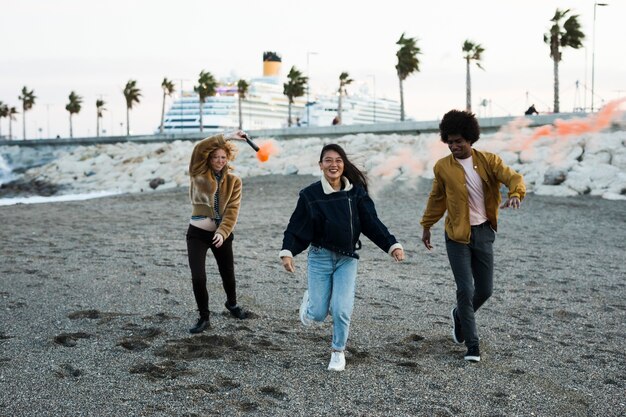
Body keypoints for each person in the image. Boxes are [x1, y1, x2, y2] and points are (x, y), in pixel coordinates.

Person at [280, 143, 405, 371]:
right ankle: (309, 304)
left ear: (344, 164)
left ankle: (338, 352)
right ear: (320, 165)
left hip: (347, 259)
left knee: (341, 309)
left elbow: (371, 223)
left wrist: (391, 245)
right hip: (319, 257)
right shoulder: (310, 195)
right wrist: (288, 251)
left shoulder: (355, 193)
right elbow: (297, 225)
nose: (333, 164)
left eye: (338, 160)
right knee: (317, 314)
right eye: (328, 160)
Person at [420, 110, 525, 362]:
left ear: (470, 139)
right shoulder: (442, 167)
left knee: (485, 290)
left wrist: (515, 194)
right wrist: (427, 225)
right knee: (465, 289)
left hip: (483, 233)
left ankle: (459, 315)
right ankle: (472, 345)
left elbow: (513, 177)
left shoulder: (489, 161)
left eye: (459, 141)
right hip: (456, 236)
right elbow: (437, 198)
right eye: (450, 141)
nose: (454, 146)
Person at [186, 130, 249, 334]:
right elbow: (199, 148)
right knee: (198, 277)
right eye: (215, 157)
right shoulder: (198, 172)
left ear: (227, 159)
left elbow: (232, 210)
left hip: (222, 235)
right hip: (197, 233)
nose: (219, 161)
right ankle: (204, 317)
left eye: (223, 157)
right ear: (209, 157)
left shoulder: (234, 181)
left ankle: (232, 304)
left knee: (228, 275)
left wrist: (223, 232)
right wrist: (227, 136)